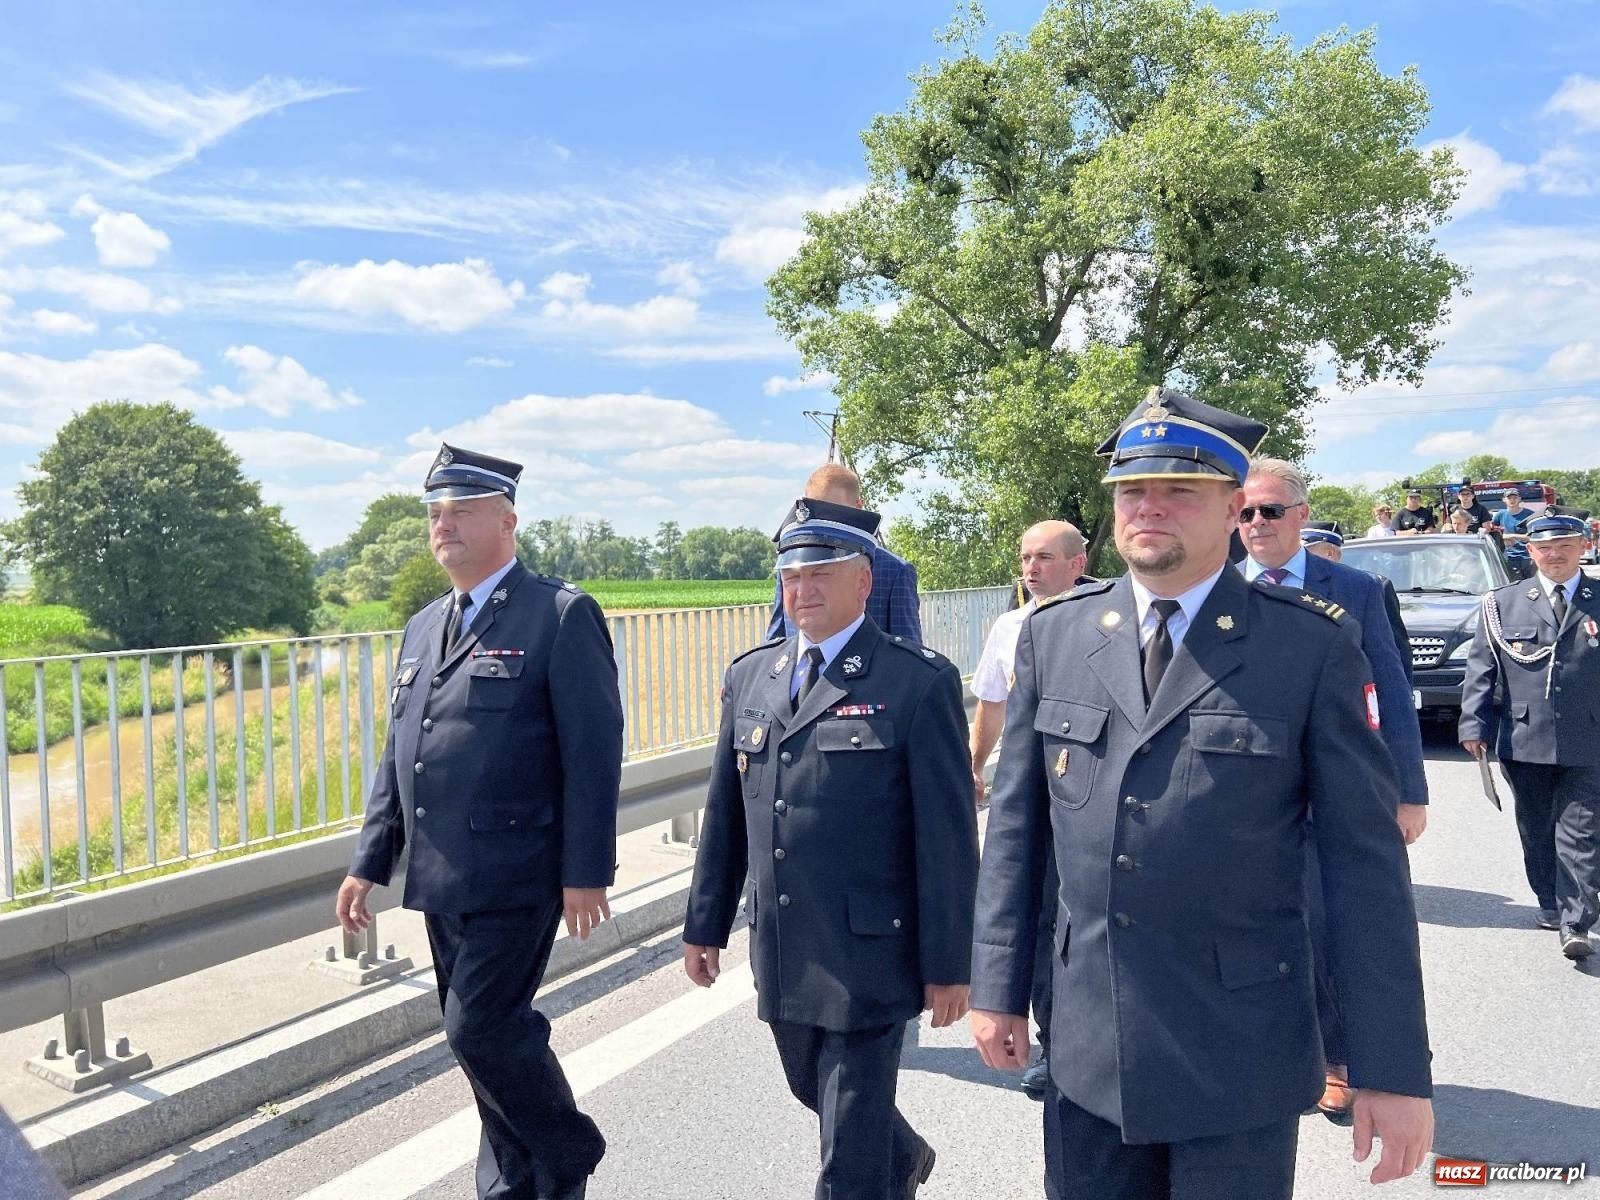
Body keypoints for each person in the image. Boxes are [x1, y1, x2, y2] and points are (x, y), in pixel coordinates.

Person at [970, 387, 1433, 1200]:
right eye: (1132, 490)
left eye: (1179, 490)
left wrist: (1390, 1069)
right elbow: (1017, 833)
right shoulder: (1054, 634)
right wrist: (998, 988)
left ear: (1231, 509)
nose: (1149, 507)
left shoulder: (1309, 645)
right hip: (1090, 1042)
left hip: (1240, 1050)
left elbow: (1364, 870)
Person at [336, 444, 623, 1200]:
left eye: (461, 511)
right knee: (477, 1041)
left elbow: (593, 752)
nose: (444, 525)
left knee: (480, 1028)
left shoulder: (558, 614)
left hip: (519, 869)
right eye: (436, 513)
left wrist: (585, 869)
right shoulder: (423, 626)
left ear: (507, 521)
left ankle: (566, 1149)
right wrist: (371, 859)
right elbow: (402, 753)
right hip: (440, 873)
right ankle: (512, 1182)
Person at [685, 498, 978, 1200]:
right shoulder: (751, 676)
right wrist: (704, 923)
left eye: (821, 573)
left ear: (864, 581)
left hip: (872, 951)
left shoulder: (915, 681)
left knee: (846, 1148)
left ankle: (878, 1168)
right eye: (791, 576)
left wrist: (950, 964)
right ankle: (900, 1158)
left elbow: (946, 839)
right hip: (784, 943)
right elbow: (727, 816)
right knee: (811, 1088)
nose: (803, 589)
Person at [1239, 458, 1428, 1127]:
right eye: (1244, 513)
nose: (1255, 524)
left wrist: (1409, 791)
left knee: (1328, 925)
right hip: (1242, 793)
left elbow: (1393, 692)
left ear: (1300, 514)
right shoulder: (1214, 586)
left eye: (1269, 511)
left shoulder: (1357, 590)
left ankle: (1339, 1061)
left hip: (1334, 789)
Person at [969, 519, 1088, 1103]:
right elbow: (992, 705)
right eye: (1025, 558)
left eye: (1043, 557)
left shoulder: (1103, 625)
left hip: (1081, 794)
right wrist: (974, 765)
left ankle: (1079, 1041)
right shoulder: (1010, 627)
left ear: (1078, 565)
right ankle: (1053, 1045)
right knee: (1035, 918)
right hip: (1027, 793)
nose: (1031, 568)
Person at [1460, 511, 1600, 961]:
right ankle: (1549, 900)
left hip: (1590, 736)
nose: (1555, 555)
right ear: (1531, 552)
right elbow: (1481, 668)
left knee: (1581, 830)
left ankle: (1576, 921)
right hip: (1524, 737)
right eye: (1545, 548)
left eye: (1565, 546)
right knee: (1537, 827)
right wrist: (1473, 725)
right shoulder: (1503, 603)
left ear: (1583, 547)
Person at [765, 464, 922, 643]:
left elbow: (908, 649)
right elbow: (776, 640)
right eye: (814, 513)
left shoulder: (894, 571)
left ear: (858, 507)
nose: (822, 524)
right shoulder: (792, 566)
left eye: (833, 513)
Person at [1492, 489, 1535, 580]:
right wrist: (1507, 537)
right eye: (1509, 498)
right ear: (1504, 500)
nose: (1512, 500)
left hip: (1529, 557)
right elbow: (1493, 534)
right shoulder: (1500, 515)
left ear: (1519, 499)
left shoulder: (1530, 514)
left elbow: (1533, 536)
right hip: (1509, 557)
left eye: (1515, 498)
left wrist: (1512, 536)